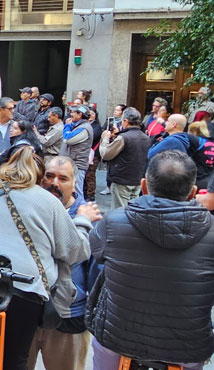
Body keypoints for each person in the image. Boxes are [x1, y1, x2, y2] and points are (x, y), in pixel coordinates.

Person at [0, 143, 98, 370]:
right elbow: (75, 251)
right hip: (21, 291)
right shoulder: (46, 201)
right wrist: (83, 221)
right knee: (13, 359)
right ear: (39, 175)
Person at [88, 150, 214, 370]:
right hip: (187, 349)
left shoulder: (114, 222)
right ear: (193, 193)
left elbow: (95, 251)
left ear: (144, 186)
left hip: (117, 340)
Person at [27, 156, 97, 370]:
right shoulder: (28, 209)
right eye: (49, 176)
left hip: (68, 318)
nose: (55, 183)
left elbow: (95, 273)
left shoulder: (90, 218)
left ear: (75, 183)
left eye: (63, 178)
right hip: (27, 311)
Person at [98, 107, 150, 209]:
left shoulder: (124, 137)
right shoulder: (145, 137)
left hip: (122, 179)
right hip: (137, 178)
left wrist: (105, 139)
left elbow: (105, 154)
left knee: (120, 210)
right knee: (133, 209)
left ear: (126, 121)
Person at [61, 105, 94, 199]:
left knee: (77, 191)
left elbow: (68, 139)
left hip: (77, 164)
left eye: (73, 112)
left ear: (80, 115)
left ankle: (80, 210)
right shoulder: (78, 126)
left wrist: (67, 126)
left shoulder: (84, 128)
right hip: (73, 163)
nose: (71, 114)